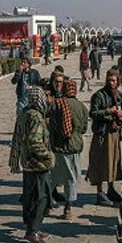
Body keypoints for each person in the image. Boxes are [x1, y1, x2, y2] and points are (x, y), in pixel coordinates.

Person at [16, 87, 55, 243]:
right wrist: (49, 156)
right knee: (41, 198)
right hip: (37, 164)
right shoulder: (36, 117)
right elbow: (34, 142)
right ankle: (32, 231)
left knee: (30, 197)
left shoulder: (25, 113)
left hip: (27, 163)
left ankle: (34, 229)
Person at [48, 77, 88, 220]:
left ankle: (47, 205)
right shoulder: (82, 107)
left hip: (58, 148)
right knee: (71, 178)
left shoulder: (56, 104)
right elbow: (84, 129)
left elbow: (49, 124)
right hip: (74, 148)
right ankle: (68, 208)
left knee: (53, 177)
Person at [87, 68, 122, 206]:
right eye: (109, 80)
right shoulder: (99, 95)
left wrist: (121, 114)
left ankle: (111, 189)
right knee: (100, 163)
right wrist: (108, 111)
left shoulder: (120, 96)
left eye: (114, 80)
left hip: (114, 134)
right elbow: (92, 113)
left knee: (113, 162)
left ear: (118, 81)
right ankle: (99, 192)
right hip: (102, 134)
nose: (111, 83)